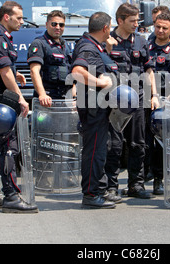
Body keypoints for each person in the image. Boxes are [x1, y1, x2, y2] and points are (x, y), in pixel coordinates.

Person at [0, 1, 37, 213]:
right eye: (19, 18)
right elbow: (3, 71)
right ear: (6, 17)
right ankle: (10, 195)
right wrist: (20, 97)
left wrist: (15, 72)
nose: (22, 22)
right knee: (9, 149)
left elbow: (3, 68)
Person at [105, 3, 159, 200]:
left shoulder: (142, 42)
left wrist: (154, 95)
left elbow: (149, 70)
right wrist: (106, 49)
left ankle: (136, 184)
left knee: (138, 143)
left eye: (138, 20)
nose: (137, 24)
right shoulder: (108, 40)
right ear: (120, 21)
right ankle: (111, 186)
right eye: (132, 20)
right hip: (115, 102)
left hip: (138, 100)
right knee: (114, 145)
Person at [70, 12, 117, 209]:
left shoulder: (93, 46)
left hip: (98, 108)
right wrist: (101, 82)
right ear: (105, 28)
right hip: (93, 108)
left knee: (99, 150)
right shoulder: (88, 48)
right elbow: (77, 72)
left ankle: (96, 190)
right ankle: (90, 194)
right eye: (110, 27)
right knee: (94, 152)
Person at [144, 12, 170, 194]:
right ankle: (141, 177)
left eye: (165, 28)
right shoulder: (146, 46)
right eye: (158, 27)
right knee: (144, 141)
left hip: (168, 99)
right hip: (146, 98)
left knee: (162, 143)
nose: (161, 30)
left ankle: (159, 179)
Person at [27, 10, 72, 106]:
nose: (58, 27)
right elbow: (34, 71)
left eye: (61, 25)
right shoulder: (39, 43)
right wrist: (42, 94)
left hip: (64, 98)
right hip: (47, 99)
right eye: (54, 24)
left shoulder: (65, 45)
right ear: (47, 24)